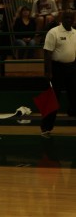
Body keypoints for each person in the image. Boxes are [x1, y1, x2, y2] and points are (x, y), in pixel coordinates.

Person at [40, 10, 76, 138]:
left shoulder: (75, 33)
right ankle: (46, 128)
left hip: (72, 68)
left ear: (74, 19)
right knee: (53, 99)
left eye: (71, 18)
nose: (68, 20)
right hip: (57, 69)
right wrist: (48, 72)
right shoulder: (53, 32)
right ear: (61, 18)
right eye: (66, 17)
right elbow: (47, 53)